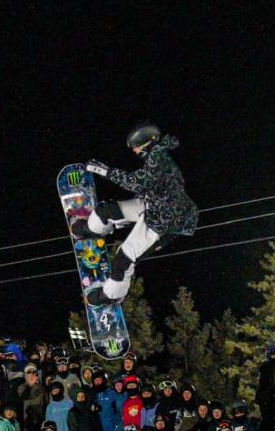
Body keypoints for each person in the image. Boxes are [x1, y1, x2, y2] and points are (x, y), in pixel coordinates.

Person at [78, 122, 199, 303]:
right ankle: (92, 230)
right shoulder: (157, 154)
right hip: (154, 205)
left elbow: (136, 182)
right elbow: (148, 185)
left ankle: (111, 295)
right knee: (108, 210)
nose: (134, 152)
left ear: (146, 145)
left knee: (123, 259)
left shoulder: (158, 160)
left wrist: (105, 171)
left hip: (166, 224)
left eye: (136, 148)